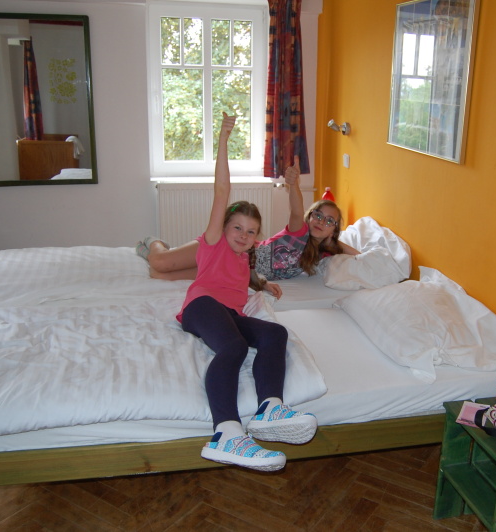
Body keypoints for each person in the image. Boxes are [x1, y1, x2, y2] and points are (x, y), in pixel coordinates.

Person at [178, 112, 317, 471]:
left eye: (251, 231)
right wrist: (224, 139)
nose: (243, 235)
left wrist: (262, 284)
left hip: (228, 313)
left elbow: (243, 279)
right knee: (235, 347)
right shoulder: (213, 244)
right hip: (201, 306)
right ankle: (226, 433)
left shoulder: (244, 259)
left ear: (257, 238)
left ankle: (270, 407)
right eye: (237, 227)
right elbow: (222, 191)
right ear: (223, 228)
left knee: (275, 333)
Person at [136, 161, 359, 285]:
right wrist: (294, 185)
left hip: (234, 267)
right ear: (310, 217)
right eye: (318, 215)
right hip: (230, 246)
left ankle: (151, 251)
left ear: (334, 230)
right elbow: (297, 210)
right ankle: (154, 242)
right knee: (161, 262)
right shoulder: (299, 233)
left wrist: (334, 241)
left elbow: (360, 257)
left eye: (329, 221)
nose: (321, 222)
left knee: (160, 276)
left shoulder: (325, 253)